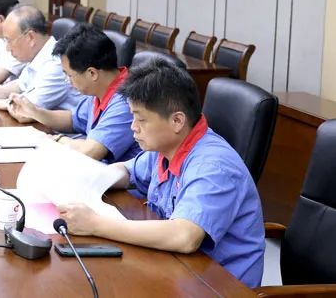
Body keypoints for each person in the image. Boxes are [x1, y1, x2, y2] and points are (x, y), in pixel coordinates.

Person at [58, 59, 265, 287]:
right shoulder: (167, 147)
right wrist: (83, 180)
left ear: (177, 120)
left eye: (141, 119)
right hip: (175, 268)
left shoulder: (214, 167)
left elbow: (184, 236)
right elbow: (126, 171)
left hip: (216, 285)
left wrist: (95, 224)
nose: (133, 127)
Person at [7, 23, 139, 163]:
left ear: (92, 73)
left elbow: (90, 151)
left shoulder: (125, 101)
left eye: (69, 75)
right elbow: (72, 119)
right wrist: (35, 112)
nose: (67, 81)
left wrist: (56, 139)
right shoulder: (101, 89)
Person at [0, 5, 83, 111]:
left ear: (30, 38)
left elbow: (28, 108)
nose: (8, 49)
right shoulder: (38, 54)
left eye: (9, 41)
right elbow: (21, 85)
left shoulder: (56, 64)